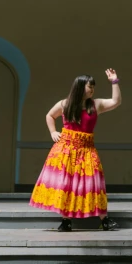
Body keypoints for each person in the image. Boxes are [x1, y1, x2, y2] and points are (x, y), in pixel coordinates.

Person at [29, 69, 121, 231]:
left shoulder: (96, 104)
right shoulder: (65, 104)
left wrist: (114, 81)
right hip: (66, 149)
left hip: (87, 149)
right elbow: (50, 115)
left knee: (94, 184)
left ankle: (104, 219)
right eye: (89, 86)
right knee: (66, 184)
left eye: (93, 86)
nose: (92, 89)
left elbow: (116, 101)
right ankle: (66, 221)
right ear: (79, 87)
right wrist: (53, 132)